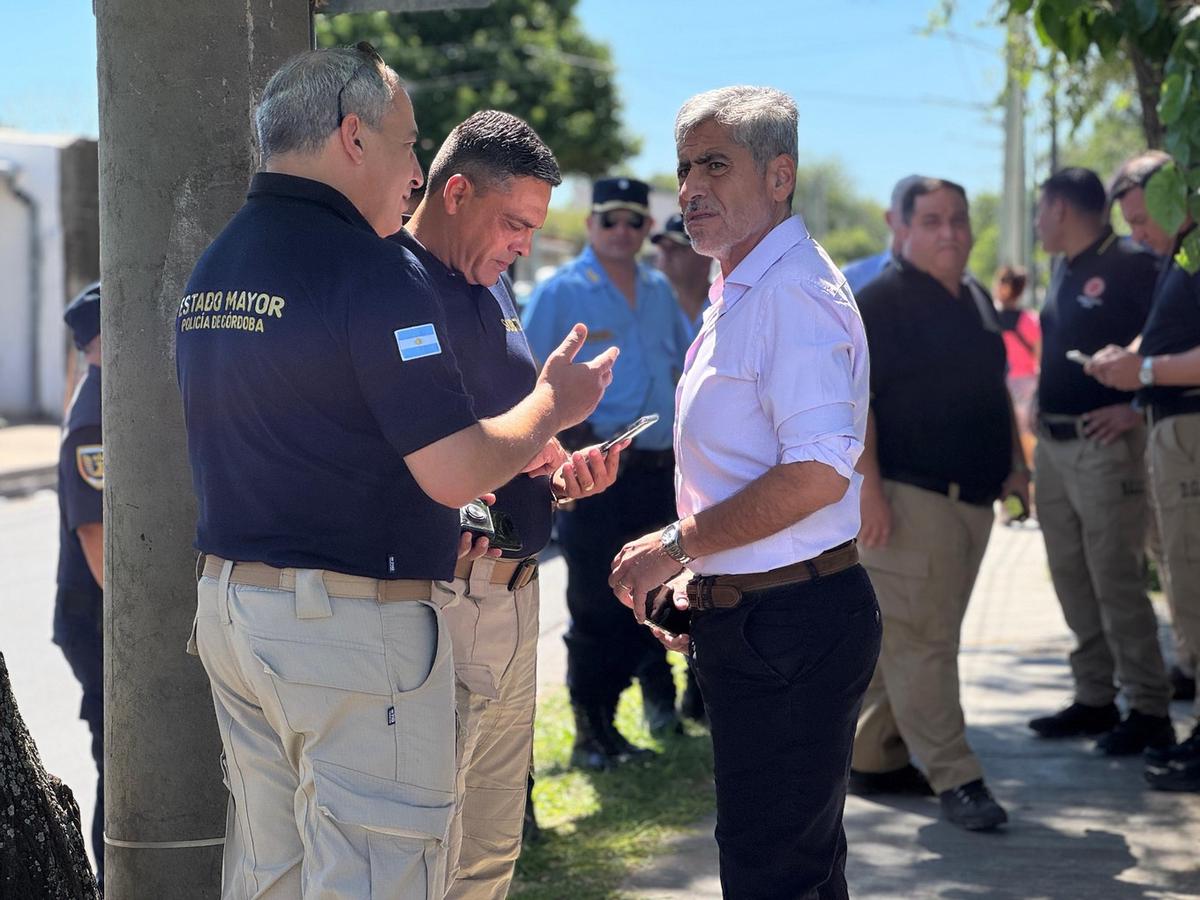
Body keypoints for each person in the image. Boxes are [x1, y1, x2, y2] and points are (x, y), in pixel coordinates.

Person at [175, 46, 616, 898]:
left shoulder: (220, 263)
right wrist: (552, 407)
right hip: (344, 628)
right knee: (380, 876)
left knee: (275, 876)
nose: (415, 172)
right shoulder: (368, 269)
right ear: (353, 137)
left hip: (237, 611)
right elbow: (453, 472)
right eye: (409, 144)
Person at [610, 85, 880, 899]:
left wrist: (673, 546)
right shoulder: (744, 285)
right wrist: (705, 572)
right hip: (763, 617)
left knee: (775, 877)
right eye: (686, 165)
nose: (690, 186)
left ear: (779, 176)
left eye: (716, 164)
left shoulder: (793, 294)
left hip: (792, 625)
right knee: (785, 869)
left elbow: (817, 474)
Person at [393, 109, 627, 898]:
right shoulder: (390, 285)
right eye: (516, 223)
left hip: (517, 596)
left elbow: (501, 435)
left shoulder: (492, 287)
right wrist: (552, 410)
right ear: (455, 191)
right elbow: (382, 452)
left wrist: (557, 467)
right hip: (439, 603)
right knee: (424, 853)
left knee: (490, 856)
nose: (525, 243)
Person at [851, 177, 1029, 831]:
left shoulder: (976, 296)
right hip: (907, 496)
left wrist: (1016, 466)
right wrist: (869, 489)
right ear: (900, 228)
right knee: (925, 645)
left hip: (975, 499)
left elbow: (994, 387)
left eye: (958, 218)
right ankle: (957, 777)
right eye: (932, 219)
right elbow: (856, 403)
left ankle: (872, 758)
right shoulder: (878, 301)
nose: (949, 231)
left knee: (913, 638)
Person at [523, 177, 694, 765]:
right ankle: (590, 735)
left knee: (649, 597)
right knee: (596, 601)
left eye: (634, 220)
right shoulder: (560, 291)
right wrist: (564, 440)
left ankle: (622, 724)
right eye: (609, 220)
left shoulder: (659, 290)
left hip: (657, 471)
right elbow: (524, 386)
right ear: (591, 225)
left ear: (649, 228)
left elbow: (687, 368)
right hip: (592, 471)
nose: (622, 231)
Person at [1026, 166, 1173, 753]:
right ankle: (1094, 698)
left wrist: (1136, 406)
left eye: (1040, 211)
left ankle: (1149, 708)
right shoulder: (1064, 266)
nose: (1037, 223)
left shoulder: (1135, 262)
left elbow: (1173, 335)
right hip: (1055, 449)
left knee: (1115, 575)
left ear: (1060, 209)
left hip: (1105, 447)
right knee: (1071, 574)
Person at [1088, 150, 1200, 792]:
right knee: (1183, 583)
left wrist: (1147, 373)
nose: (1137, 234)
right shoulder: (1179, 257)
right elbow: (1165, 339)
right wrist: (1128, 357)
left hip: (1187, 429)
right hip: (1170, 434)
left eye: (1139, 219)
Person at [55, 281, 105, 888]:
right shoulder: (95, 416)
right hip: (97, 622)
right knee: (120, 770)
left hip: (94, 618)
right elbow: (99, 546)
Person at [841, 173, 925, 294]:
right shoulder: (851, 278)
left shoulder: (953, 282)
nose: (916, 225)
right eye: (909, 214)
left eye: (930, 219)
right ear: (890, 218)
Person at [993, 264, 1039, 468]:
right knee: (1026, 434)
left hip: (1000, 383)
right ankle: (1026, 472)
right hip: (1027, 384)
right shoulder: (1030, 321)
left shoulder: (990, 317)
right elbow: (1040, 355)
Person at [652, 212, 710, 335]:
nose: (666, 255)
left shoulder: (727, 304)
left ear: (706, 256)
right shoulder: (650, 307)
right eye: (662, 247)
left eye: (676, 247)